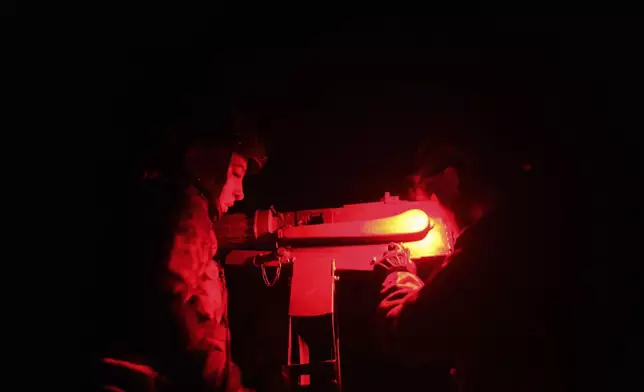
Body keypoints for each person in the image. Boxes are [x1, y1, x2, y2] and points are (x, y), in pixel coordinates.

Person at [371, 136, 564, 391]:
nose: (431, 198)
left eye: (430, 190)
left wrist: (399, 274)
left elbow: (405, 333)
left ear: (452, 177)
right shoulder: (543, 220)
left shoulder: (486, 252)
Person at [93, 116, 268, 392]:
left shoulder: (160, 208)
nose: (241, 193)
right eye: (235, 173)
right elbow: (166, 309)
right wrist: (224, 384)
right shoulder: (185, 215)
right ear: (208, 163)